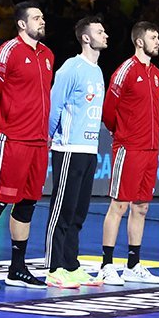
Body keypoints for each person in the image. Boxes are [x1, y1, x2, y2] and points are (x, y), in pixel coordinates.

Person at [0, 2, 52, 290]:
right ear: (21, 24)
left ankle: (17, 269)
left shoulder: (47, 55)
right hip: (12, 140)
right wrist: (8, 122)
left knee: (27, 204)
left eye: (42, 17)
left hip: (38, 142)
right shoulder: (7, 52)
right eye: (36, 17)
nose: (42, 21)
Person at [44, 16, 108, 289]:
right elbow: (54, 105)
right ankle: (53, 268)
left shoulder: (97, 71)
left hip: (89, 149)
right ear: (85, 37)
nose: (105, 35)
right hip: (69, 147)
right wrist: (49, 135)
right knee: (62, 209)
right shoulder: (71, 67)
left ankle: (71, 265)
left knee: (79, 212)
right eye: (99, 31)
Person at [98, 22, 159, 286]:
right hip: (129, 148)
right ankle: (106, 265)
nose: (158, 41)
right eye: (153, 37)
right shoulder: (125, 70)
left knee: (142, 207)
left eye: (158, 37)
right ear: (139, 41)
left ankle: (133, 265)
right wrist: (123, 134)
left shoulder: (157, 74)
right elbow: (108, 111)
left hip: (150, 149)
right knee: (119, 205)